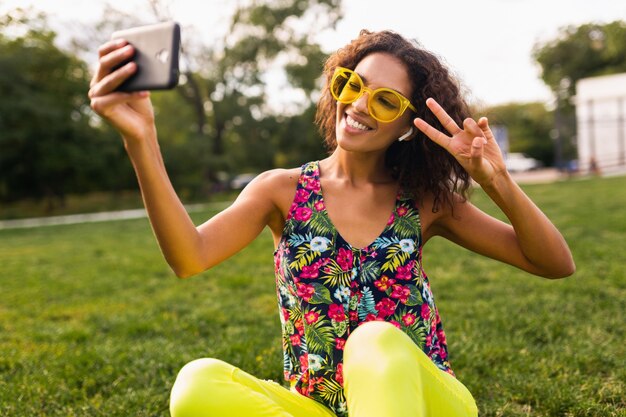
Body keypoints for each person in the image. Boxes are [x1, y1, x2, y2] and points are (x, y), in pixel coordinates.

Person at [89, 29, 575, 417]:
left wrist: (498, 183)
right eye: (353, 84)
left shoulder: (425, 201)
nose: (360, 105)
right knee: (196, 383)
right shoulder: (280, 191)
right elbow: (189, 257)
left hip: (432, 405)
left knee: (375, 338)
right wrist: (142, 138)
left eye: (385, 101)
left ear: (409, 124)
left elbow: (554, 263)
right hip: (318, 407)